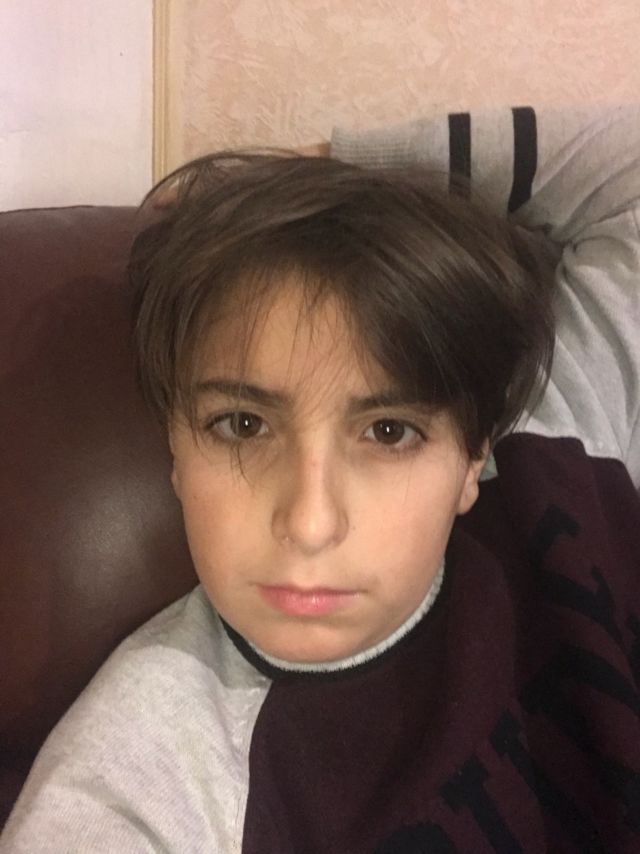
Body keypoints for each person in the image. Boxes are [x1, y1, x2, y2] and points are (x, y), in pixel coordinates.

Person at [1, 105, 639, 853]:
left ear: (474, 454)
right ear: (175, 445)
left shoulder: (558, 440)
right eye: (243, 425)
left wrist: (319, 165)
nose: (309, 525)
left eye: (389, 431)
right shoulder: (141, 782)